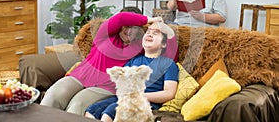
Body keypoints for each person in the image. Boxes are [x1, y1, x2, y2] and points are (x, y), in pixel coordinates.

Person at [40, 7, 178, 115]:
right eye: (126, 26)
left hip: (106, 87)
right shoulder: (105, 34)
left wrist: (162, 26)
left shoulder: (140, 47)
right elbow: (121, 18)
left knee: (76, 107)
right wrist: (150, 19)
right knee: (52, 97)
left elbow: (170, 52)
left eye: (134, 27)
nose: (129, 31)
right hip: (80, 76)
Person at [85, 22, 179, 122]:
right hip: (124, 97)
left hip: (146, 102)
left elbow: (169, 93)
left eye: (155, 33)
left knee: (109, 113)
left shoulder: (168, 63)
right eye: (148, 32)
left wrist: (138, 96)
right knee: (91, 111)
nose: (149, 34)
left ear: (164, 44)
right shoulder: (134, 60)